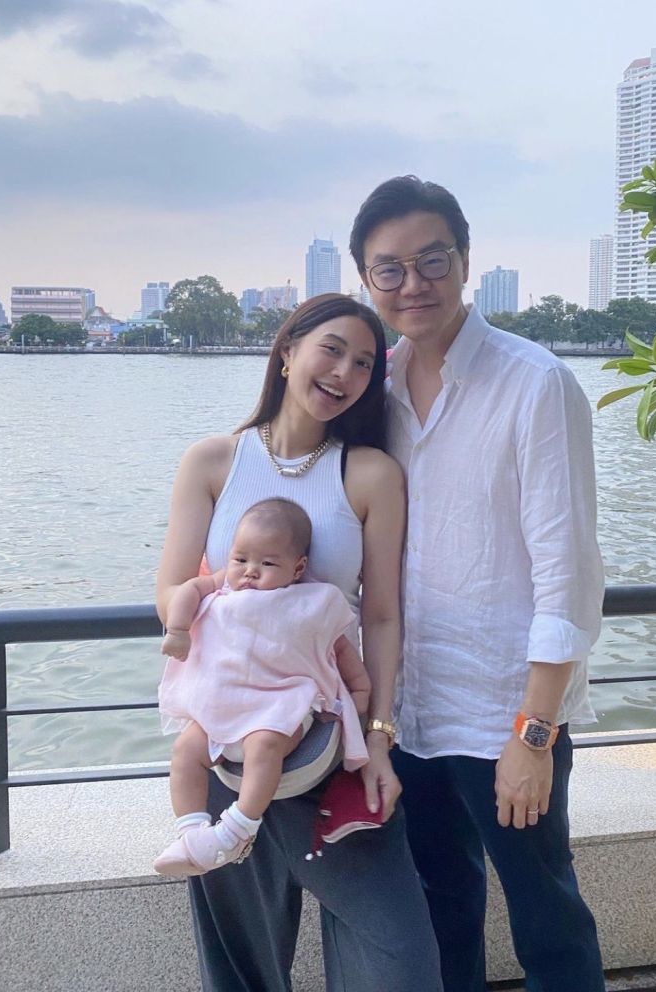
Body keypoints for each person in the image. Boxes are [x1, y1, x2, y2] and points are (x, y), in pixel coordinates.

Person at [350, 177, 607, 992]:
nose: (413, 284)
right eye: (389, 269)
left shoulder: (535, 383)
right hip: (410, 714)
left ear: (465, 261)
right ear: (366, 279)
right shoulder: (373, 390)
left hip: (505, 714)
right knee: (441, 921)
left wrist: (534, 736)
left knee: (548, 923)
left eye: (432, 260)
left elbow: (568, 572)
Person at [156, 293, 443, 992]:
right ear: (287, 352)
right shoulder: (212, 461)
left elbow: (381, 617)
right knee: (241, 967)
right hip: (224, 746)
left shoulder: (371, 473)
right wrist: (227, 609)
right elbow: (170, 589)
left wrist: (379, 740)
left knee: (400, 962)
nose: (345, 372)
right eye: (332, 350)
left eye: (365, 363)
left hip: (327, 745)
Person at [154, 498, 371, 877]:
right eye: (241, 559)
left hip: (281, 703)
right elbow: (188, 589)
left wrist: (361, 690)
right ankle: (192, 834)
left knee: (264, 745)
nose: (250, 571)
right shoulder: (224, 584)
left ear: (298, 568)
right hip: (223, 704)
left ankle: (238, 829)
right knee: (186, 750)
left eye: (267, 564)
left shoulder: (312, 601)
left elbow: (339, 648)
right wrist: (178, 629)